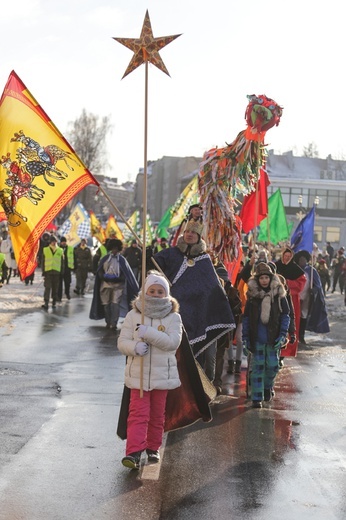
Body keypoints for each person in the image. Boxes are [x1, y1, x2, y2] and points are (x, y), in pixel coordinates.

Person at [153, 218, 235, 382]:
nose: (189, 235)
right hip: (172, 314)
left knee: (198, 359)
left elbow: (212, 289)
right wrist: (149, 255)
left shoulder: (204, 261)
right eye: (187, 232)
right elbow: (155, 267)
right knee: (173, 354)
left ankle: (202, 388)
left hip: (198, 316)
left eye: (193, 233)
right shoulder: (171, 253)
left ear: (199, 237)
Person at [117, 271, 183, 470]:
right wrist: (134, 347)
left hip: (162, 376)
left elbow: (173, 343)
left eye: (159, 291)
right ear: (144, 292)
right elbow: (122, 342)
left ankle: (153, 447)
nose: (155, 294)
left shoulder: (174, 318)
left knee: (156, 414)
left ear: (167, 294)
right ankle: (133, 452)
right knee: (137, 414)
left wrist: (150, 334)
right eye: (151, 291)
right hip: (138, 376)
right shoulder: (134, 315)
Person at [242, 262, 290, 408]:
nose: (264, 280)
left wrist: (283, 335)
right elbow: (246, 318)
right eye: (261, 278)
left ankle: (267, 387)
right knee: (258, 368)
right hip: (257, 338)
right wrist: (245, 338)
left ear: (271, 278)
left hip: (273, 338)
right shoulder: (252, 297)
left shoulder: (279, 296)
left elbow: (285, 315)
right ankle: (257, 398)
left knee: (273, 367)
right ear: (257, 280)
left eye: (266, 278)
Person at [89, 238, 139, 329]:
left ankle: (114, 323)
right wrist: (103, 277)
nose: (114, 250)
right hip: (105, 285)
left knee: (115, 304)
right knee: (106, 304)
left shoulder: (122, 260)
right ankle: (108, 322)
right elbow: (100, 271)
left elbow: (126, 273)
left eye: (116, 249)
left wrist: (119, 279)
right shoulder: (105, 259)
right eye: (113, 248)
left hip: (118, 286)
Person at [275, 247, 306, 359]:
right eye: (285, 256)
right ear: (282, 256)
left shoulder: (296, 270)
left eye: (289, 257)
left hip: (291, 299)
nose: (286, 258)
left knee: (289, 323)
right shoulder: (275, 266)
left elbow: (300, 285)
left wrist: (287, 283)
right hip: (275, 299)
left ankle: (286, 350)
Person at [294, 250, 330, 345]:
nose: (302, 261)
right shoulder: (294, 269)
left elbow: (318, 285)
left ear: (307, 260)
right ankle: (294, 335)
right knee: (294, 316)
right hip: (295, 296)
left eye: (304, 259)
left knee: (303, 316)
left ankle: (301, 336)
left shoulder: (311, 270)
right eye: (300, 259)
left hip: (307, 297)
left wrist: (313, 290)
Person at [41, 235, 64, 310]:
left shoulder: (60, 250)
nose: (54, 243)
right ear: (50, 242)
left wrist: (62, 271)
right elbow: (43, 262)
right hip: (48, 272)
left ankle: (54, 301)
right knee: (47, 287)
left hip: (56, 272)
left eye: (55, 241)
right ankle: (46, 302)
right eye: (52, 241)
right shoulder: (45, 249)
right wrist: (43, 271)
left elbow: (62, 262)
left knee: (55, 288)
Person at [57, 236, 74, 301]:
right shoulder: (58, 248)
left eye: (64, 241)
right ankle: (59, 296)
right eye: (62, 242)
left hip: (67, 268)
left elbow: (73, 257)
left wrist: (74, 267)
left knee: (67, 283)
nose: (63, 243)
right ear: (60, 242)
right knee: (59, 284)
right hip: (59, 268)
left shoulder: (70, 248)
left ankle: (67, 293)